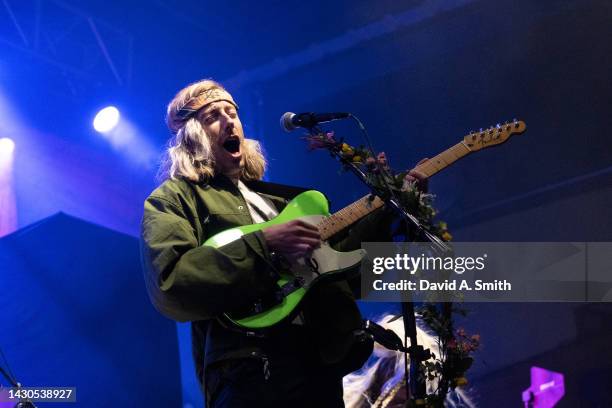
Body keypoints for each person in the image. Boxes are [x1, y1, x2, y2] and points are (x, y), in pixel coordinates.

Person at [140, 79, 427, 407]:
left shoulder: (278, 201)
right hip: (250, 371)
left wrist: (389, 212)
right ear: (192, 136)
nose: (229, 120)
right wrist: (265, 244)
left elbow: (350, 275)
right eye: (213, 116)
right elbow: (171, 283)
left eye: (232, 112)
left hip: (318, 362)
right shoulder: (174, 198)